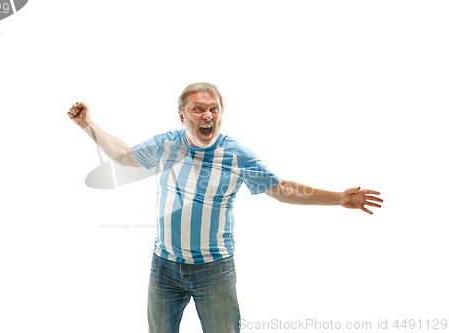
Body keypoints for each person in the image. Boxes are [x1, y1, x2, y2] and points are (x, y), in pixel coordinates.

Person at [67, 82, 383, 333]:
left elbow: (282, 189)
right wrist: (87, 125)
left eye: (214, 109)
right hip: (163, 265)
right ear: (182, 116)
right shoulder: (167, 144)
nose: (208, 116)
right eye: (199, 109)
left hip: (213, 270)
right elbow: (124, 156)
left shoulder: (235, 154)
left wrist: (339, 198)